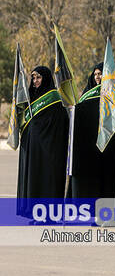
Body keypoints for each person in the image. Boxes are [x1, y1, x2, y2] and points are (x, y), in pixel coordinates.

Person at [16, 66, 69, 218]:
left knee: (46, 181)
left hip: (48, 151)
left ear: (45, 78)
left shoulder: (54, 98)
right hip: (31, 149)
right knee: (33, 180)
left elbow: (60, 124)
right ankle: (34, 213)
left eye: (38, 77)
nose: (35, 81)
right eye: (33, 78)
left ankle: (48, 215)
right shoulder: (30, 97)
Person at [71, 63, 115, 199]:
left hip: (108, 145)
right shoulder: (87, 93)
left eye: (100, 73)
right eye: (95, 74)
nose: (97, 77)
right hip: (90, 145)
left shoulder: (114, 93)